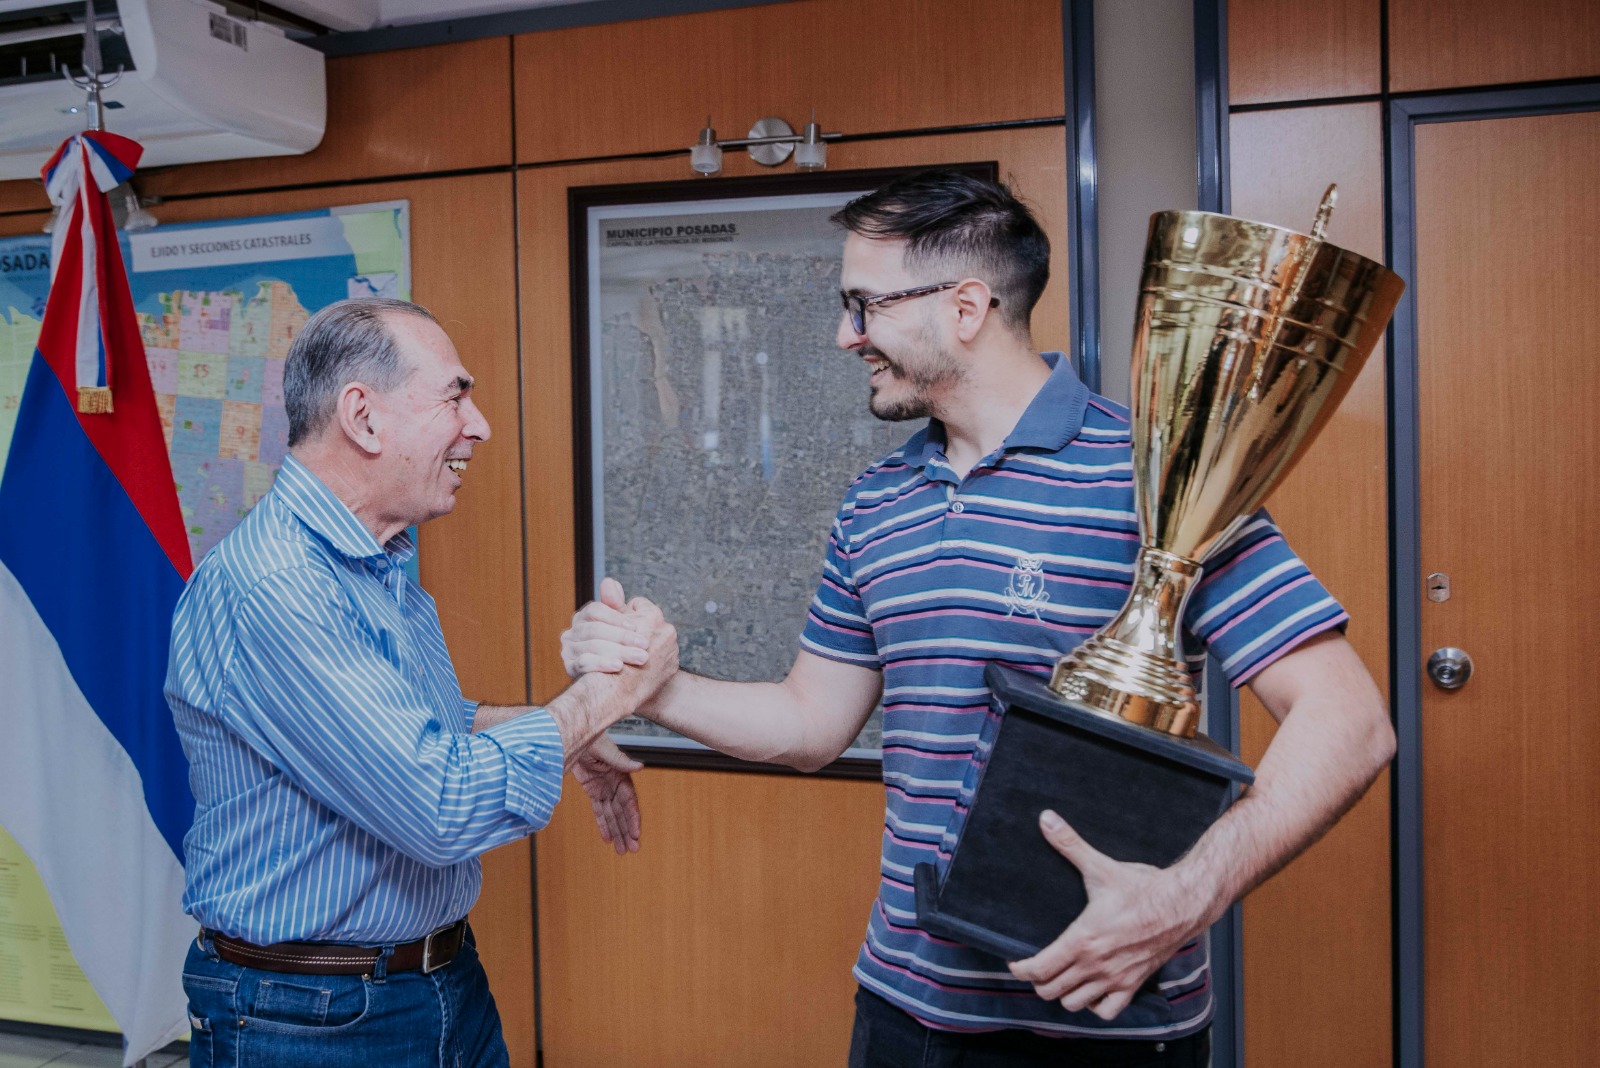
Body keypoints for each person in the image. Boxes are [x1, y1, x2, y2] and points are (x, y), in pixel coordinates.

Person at [562, 171, 1395, 1066]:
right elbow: (810, 724)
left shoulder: (1155, 475)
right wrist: (656, 689)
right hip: (904, 1011)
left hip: (1107, 1028)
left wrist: (1187, 897)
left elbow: (1348, 724)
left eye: (863, 305)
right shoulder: (876, 502)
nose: (847, 336)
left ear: (965, 307)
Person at [165, 297, 673, 1068]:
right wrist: (605, 695)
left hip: (437, 983)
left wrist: (561, 736)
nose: (479, 426)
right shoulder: (275, 587)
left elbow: (418, 733)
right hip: (311, 1021)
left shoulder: (376, 565)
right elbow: (437, 804)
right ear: (363, 418)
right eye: (455, 395)